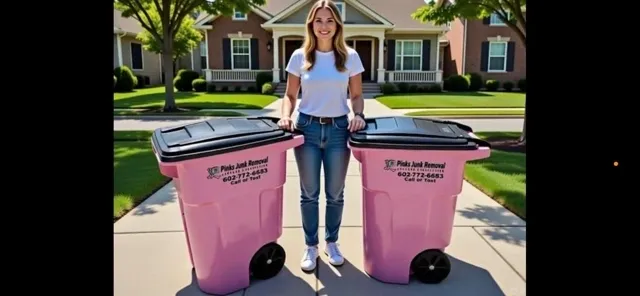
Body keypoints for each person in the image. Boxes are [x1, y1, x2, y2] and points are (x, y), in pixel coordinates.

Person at [277, 0, 366, 272]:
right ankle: (311, 246)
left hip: (339, 130)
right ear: (311, 24)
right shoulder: (298, 57)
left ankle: (332, 242)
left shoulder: (350, 57)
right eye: (319, 20)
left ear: (337, 24)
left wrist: (358, 115)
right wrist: (286, 116)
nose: (324, 26)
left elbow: (357, 95)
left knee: (335, 193)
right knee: (309, 193)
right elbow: (290, 95)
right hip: (308, 129)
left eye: (329, 20)